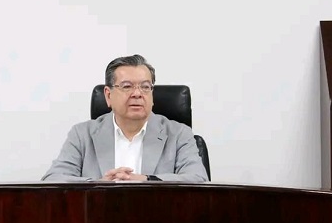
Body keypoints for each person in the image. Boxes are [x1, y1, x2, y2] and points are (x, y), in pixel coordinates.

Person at [42, 54, 208, 182]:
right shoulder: (82, 134)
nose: (137, 94)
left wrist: (147, 180)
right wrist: (97, 185)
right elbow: (53, 179)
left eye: (145, 87)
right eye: (127, 86)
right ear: (108, 95)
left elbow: (198, 179)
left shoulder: (178, 134)